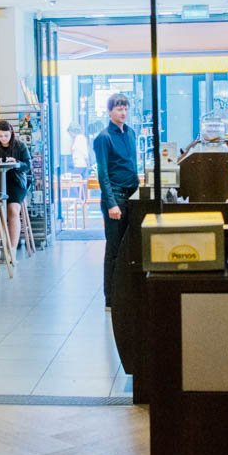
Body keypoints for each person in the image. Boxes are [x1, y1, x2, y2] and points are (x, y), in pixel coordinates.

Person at [94, 93, 139, 308]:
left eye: (125, 108)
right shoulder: (103, 138)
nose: (123, 112)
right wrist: (111, 203)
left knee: (129, 246)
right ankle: (110, 298)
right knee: (114, 249)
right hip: (115, 197)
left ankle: (127, 293)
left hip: (132, 194)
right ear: (110, 111)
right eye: (119, 109)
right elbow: (102, 173)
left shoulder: (131, 133)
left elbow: (132, 164)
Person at [0, 120, 32, 251]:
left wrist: (16, 162)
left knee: (13, 210)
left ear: (11, 133)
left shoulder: (20, 145)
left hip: (16, 182)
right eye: (0, 136)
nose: (3, 138)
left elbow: (28, 165)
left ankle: (12, 249)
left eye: (6, 135)